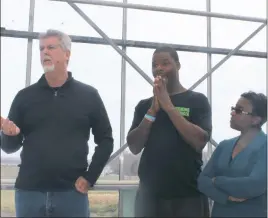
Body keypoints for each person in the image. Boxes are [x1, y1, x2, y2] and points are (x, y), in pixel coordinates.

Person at [0, 29, 114, 217]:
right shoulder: (24, 97)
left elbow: (106, 140)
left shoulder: (89, 96)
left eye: (51, 47)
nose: (45, 52)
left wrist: (90, 177)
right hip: (29, 194)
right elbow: (9, 147)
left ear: (67, 54)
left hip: (71, 195)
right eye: (41, 48)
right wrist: (8, 134)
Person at [127, 46, 212, 217]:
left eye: (165, 63)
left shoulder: (197, 100)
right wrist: (152, 112)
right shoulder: (144, 105)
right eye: (154, 65)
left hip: (188, 195)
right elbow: (134, 146)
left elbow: (199, 141)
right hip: (150, 196)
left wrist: (169, 106)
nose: (158, 68)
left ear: (178, 65)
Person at [198, 91, 267, 217]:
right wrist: (226, 197)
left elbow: (255, 184)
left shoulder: (265, 146)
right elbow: (202, 181)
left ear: (256, 119)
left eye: (239, 110)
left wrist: (217, 181)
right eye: (233, 108)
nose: (232, 113)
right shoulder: (224, 145)